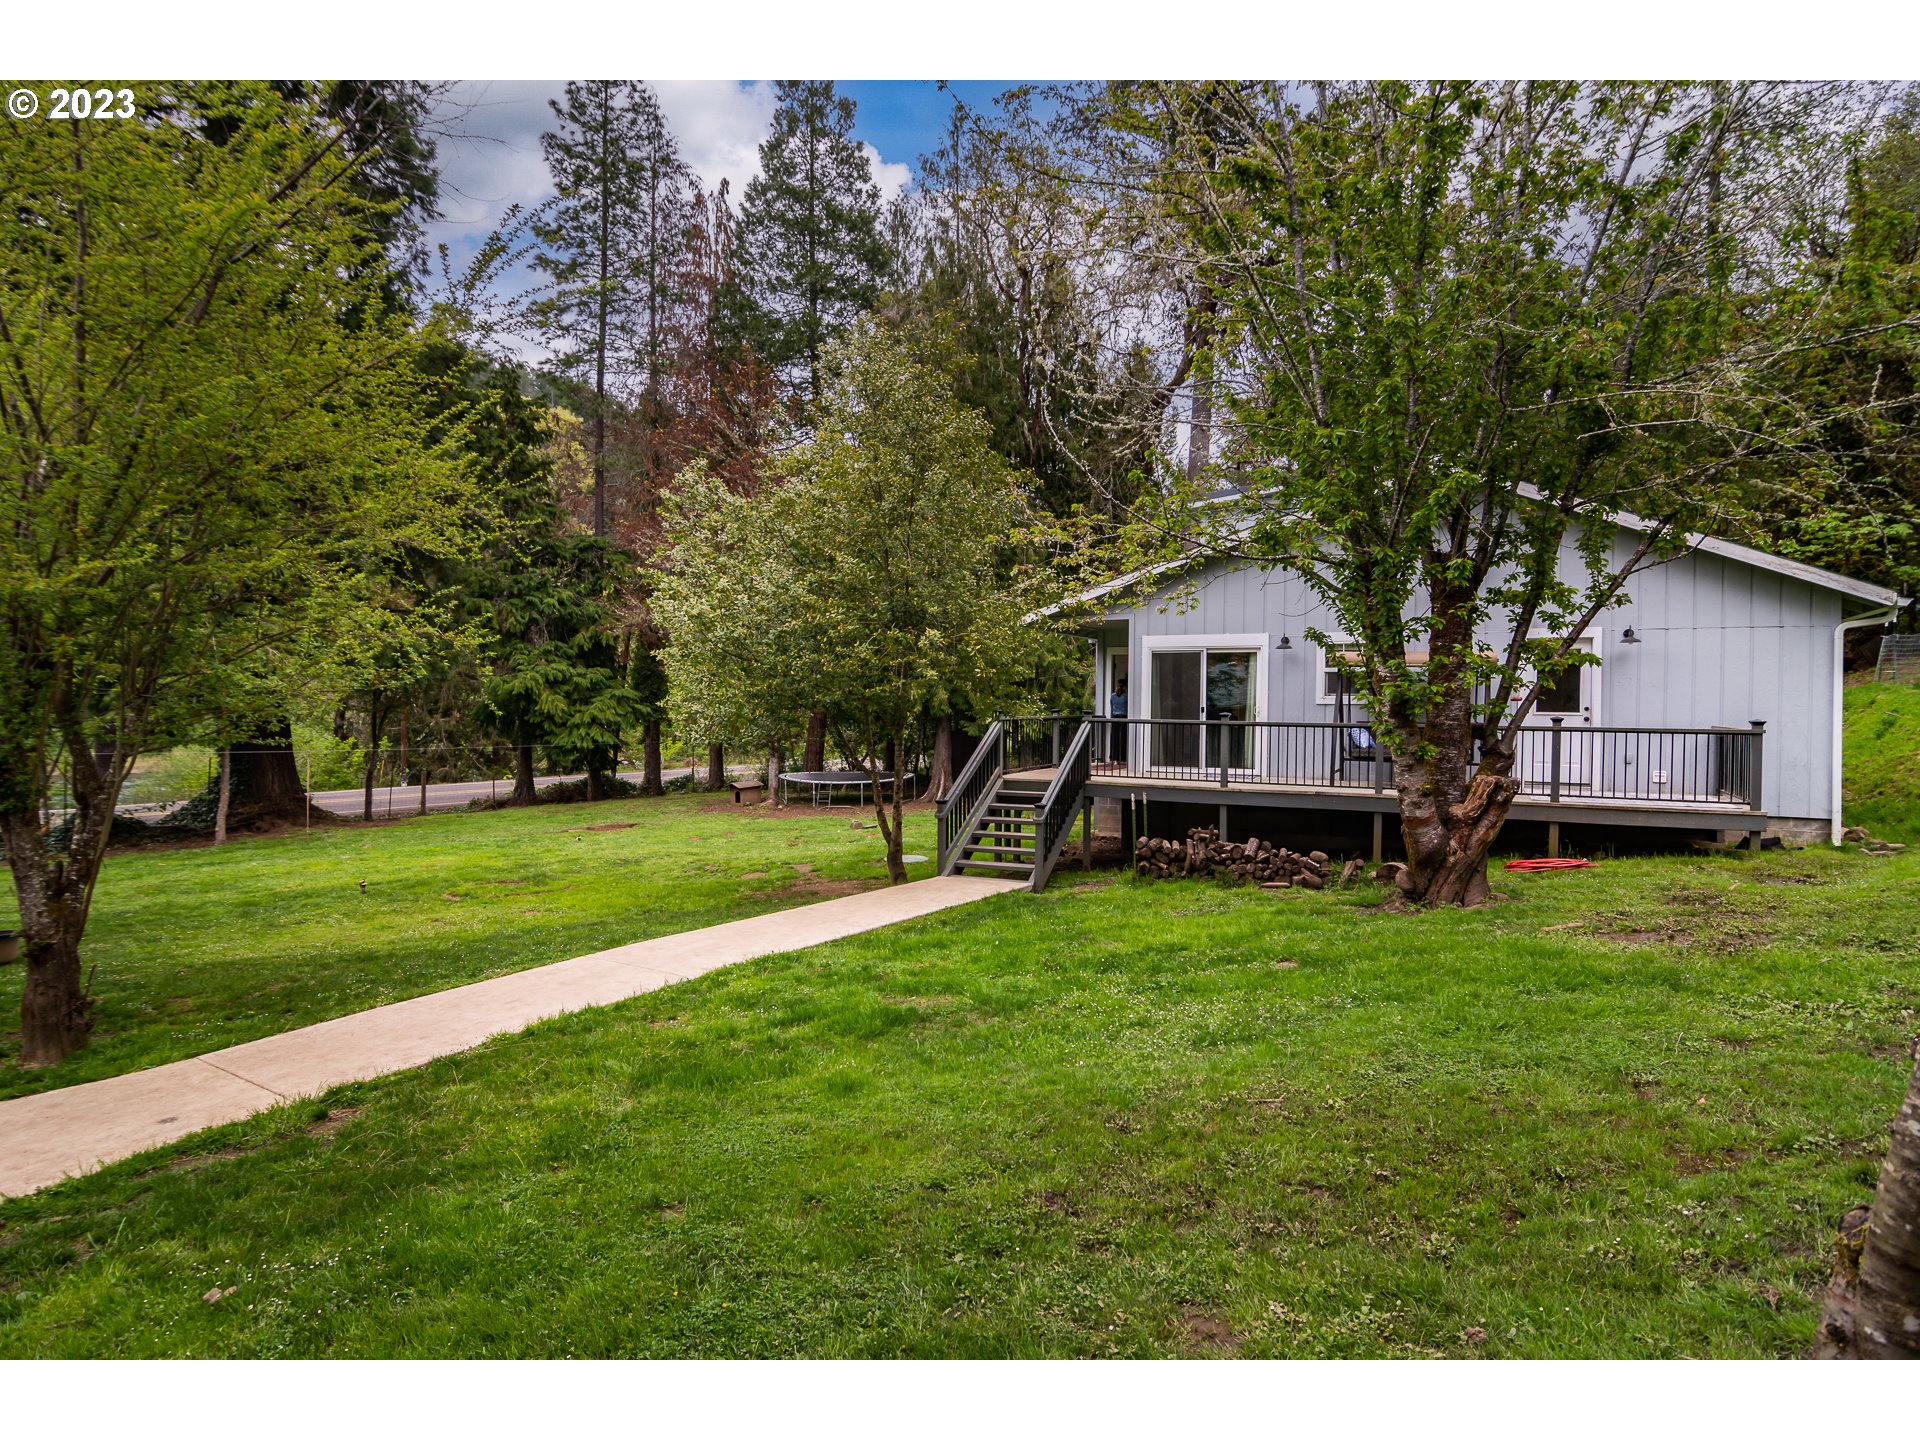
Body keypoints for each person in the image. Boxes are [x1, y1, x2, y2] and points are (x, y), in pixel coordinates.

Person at [1108, 675, 1128, 765]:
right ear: (1124, 686)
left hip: (1115, 717)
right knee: (1123, 738)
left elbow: (1111, 706)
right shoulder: (1126, 696)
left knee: (1114, 738)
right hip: (1123, 717)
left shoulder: (1112, 696)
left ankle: (1114, 757)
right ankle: (1123, 757)